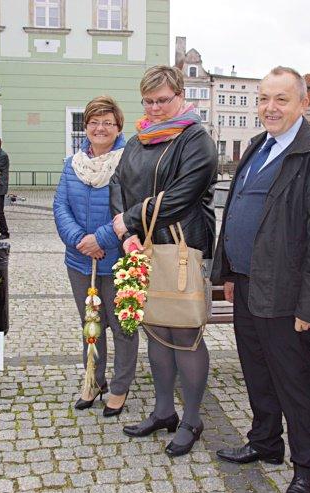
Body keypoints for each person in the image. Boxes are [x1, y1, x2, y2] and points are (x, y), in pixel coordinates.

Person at [211, 66, 310, 493]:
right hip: (248, 284)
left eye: (281, 99)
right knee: (256, 371)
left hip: (286, 294)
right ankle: (265, 441)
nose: (270, 107)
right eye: (265, 98)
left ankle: (307, 466)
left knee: (296, 381)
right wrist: (228, 272)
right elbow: (234, 212)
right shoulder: (257, 145)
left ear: (303, 104)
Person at [111, 65, 217, 457]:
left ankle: (192, 419)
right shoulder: (139, 140)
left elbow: (182, 196)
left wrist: (130, 219)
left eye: (163, 100)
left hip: (182, 244)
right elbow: (118, 186)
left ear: (180, 96)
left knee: (184, 333)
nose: (155, 108)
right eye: (149, 101)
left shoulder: (196, 139)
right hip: (144, 246)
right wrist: (128, 233)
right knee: (156, 330)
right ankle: (162, 411)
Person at [53, 96, 139, 417]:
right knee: (91, 324)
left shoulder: (129, 162)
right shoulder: (72, 164)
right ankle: (94, 379)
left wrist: (100, 239)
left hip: (117, 260)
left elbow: (132, 210)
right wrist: (80, 240)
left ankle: (120, 385)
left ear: (118, 126)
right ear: (85, 126)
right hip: (79, 261)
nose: (100, 128)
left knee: (122, 326)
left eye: (107, 122)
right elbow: (60, 207)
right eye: (93, 122)